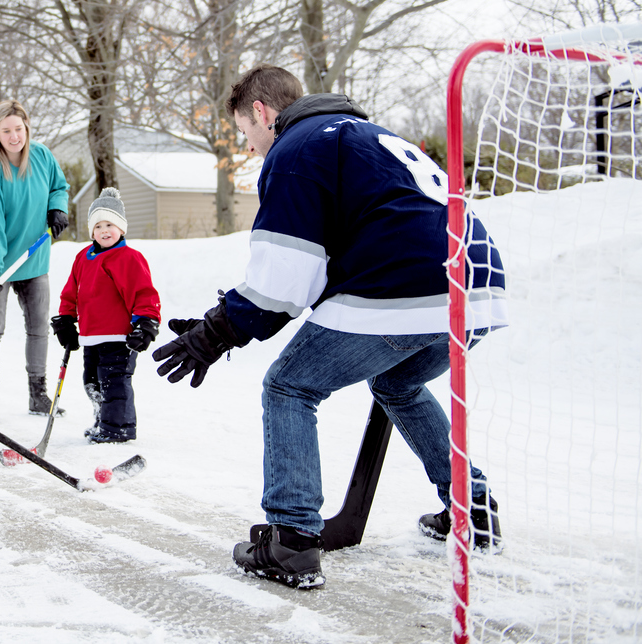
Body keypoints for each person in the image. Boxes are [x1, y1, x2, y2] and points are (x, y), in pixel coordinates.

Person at [152, 64, 507, 589]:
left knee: (290, 385)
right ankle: (473, 509)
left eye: (245, 134)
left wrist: (216, 332)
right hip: (475, 292)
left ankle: (292, 541)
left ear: (262, 113)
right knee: (398, 382)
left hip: (404, 292)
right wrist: (226, 319)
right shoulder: (370, 137)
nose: (250, 148)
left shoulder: (296, 150)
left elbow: (283, 283)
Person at [0, 99, 71, 422]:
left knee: (38, 328)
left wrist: (58, 207)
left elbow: (59, 186)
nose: (14, 136)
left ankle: (38, 395)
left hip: (34, 257)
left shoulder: (41, 156)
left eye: (19, 129)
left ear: (26, 128)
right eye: (6, 131)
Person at [51, 188, 161, 444]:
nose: (104, 230)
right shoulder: (82, 258)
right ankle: (103, 421)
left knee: (114, 383)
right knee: (92, 383)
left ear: (121, 228)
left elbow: (144, 294)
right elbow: (70, 293)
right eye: (98, 225)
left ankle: (118, 428)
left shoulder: (129, 258)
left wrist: (145, 323)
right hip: (91, 337)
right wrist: (66, 320)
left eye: (110, 224)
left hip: (119, 337)